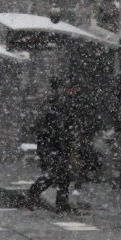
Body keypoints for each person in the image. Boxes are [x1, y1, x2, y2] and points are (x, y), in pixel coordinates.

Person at [26, 79, 81, 212]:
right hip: (53, 145)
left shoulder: (56, 104)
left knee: (63, 175)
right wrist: (63, 138)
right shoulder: (56, 105)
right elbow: (55, 127)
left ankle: (60, 202)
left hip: (55, 145)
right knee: (55, 174)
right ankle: (31, 196)